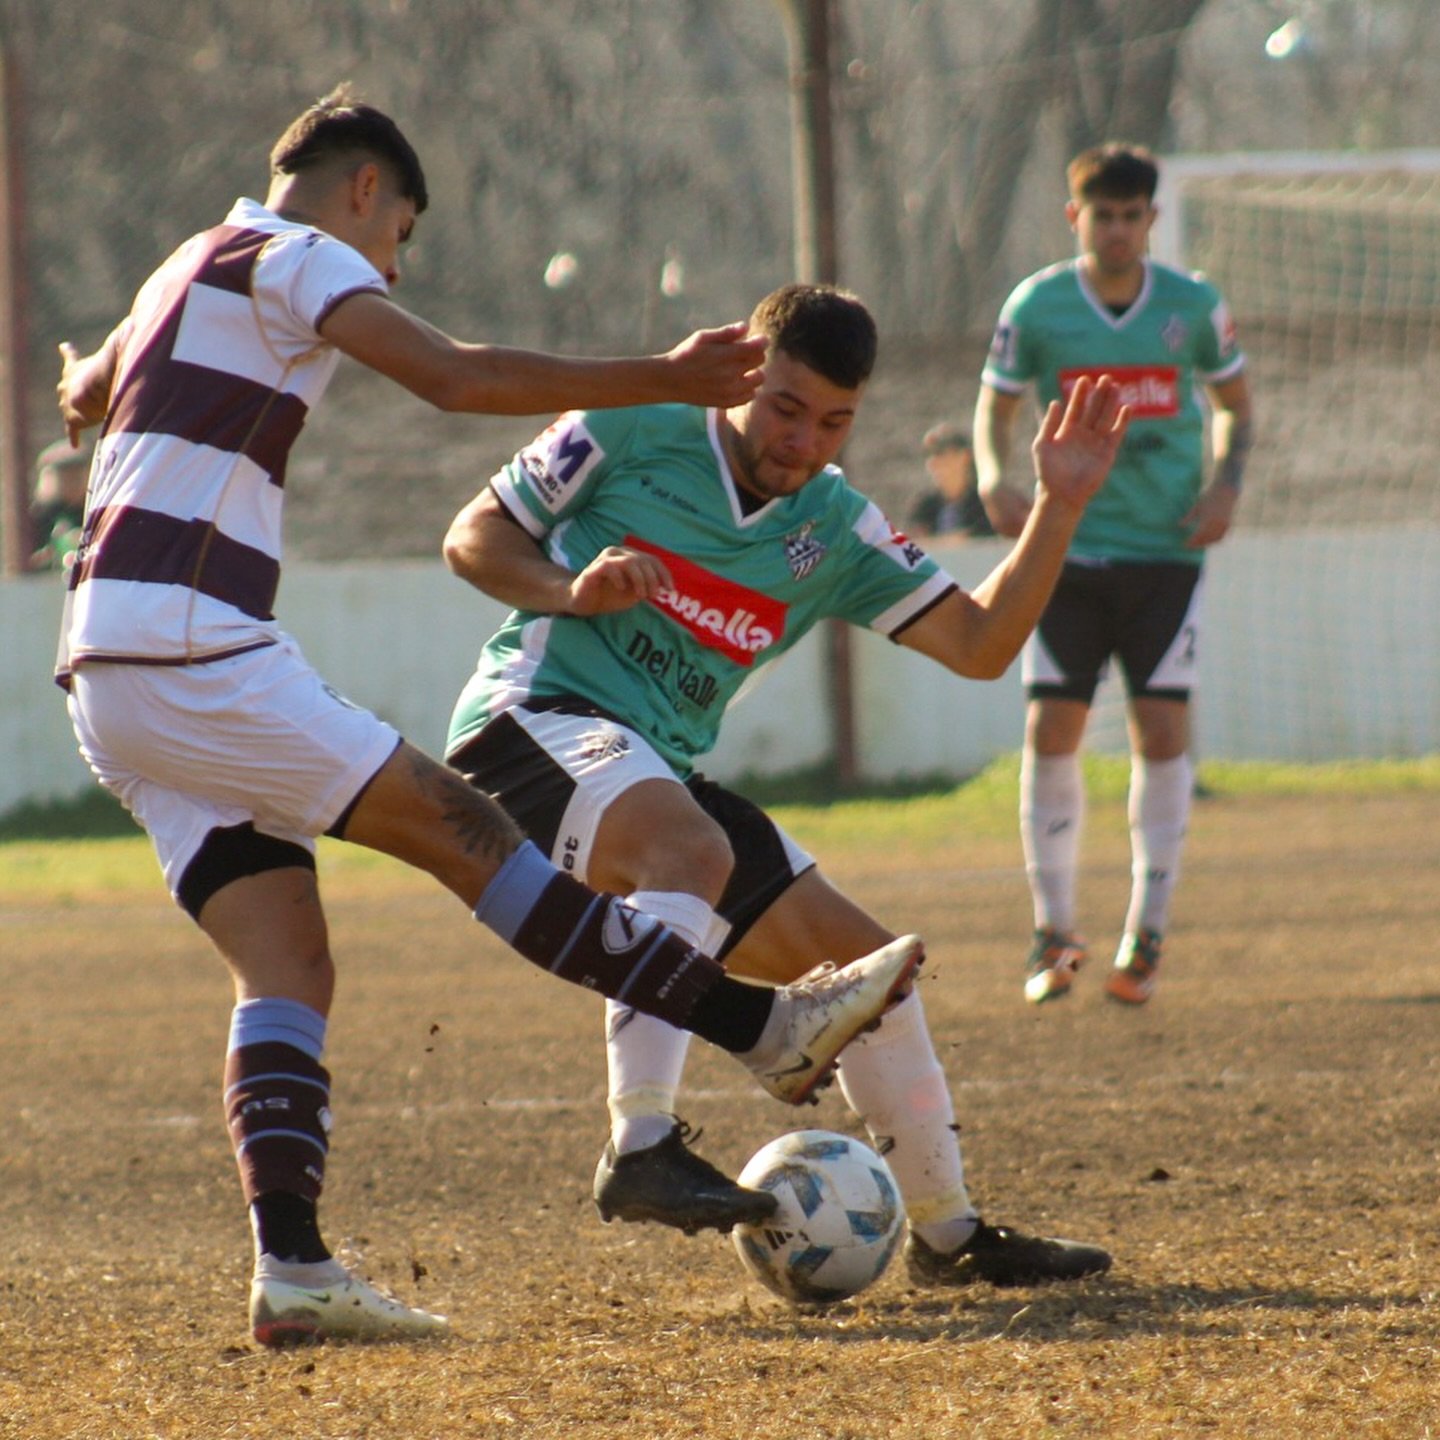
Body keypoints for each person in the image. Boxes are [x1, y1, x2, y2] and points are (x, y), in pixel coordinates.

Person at [53, 87, 926, 1348]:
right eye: (398, 236)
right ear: (366, 191)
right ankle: (759, 1026)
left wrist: (87, 392)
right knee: (465, 827)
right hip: (192, 642)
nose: (393, 266)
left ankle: (293, 1270)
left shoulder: (181, 268)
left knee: (287, 959)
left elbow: (94, 382)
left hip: (104, 677)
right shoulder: (297, 255)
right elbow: (458, 378)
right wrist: (666, 375)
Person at [442, 283, 1126, 1287]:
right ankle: (640, 1148)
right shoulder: (632, 426)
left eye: (834, 422)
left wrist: (1061, 505)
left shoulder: (833, 525)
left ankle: (948, 1236)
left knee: (868, 975)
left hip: (650, 767)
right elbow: (473, 538)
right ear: (745, 379)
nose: (803, 442)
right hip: (530, 726)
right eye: (785, 409)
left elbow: (981, 646)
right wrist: (568, 588)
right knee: (691, 852)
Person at [973, 142, 1254, 1008]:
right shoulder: (1040, 306)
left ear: (1152, 221)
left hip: (1166, 555)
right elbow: (997, 404)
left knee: (1160, 735)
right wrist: (992, 472)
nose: (1120, 230)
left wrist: (1225, 484)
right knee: (1052, 729)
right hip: (1066, 553)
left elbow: (1236, 409)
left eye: (1134, 215)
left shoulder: (1195, 306)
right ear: (1075, 218)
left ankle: (1148, 931)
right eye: (1104, 215)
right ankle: (1052, 932)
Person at [905, 422, 994, 540]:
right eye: (928, 455)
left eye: (940, 453)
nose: (933, 462)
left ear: (965, 456)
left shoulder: (987, 503)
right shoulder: (923, 506)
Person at [28, 438, 90, 572]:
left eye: (77, 473)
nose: (72, 481)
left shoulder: (93, 510)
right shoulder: (36, 517)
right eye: (64, 474)